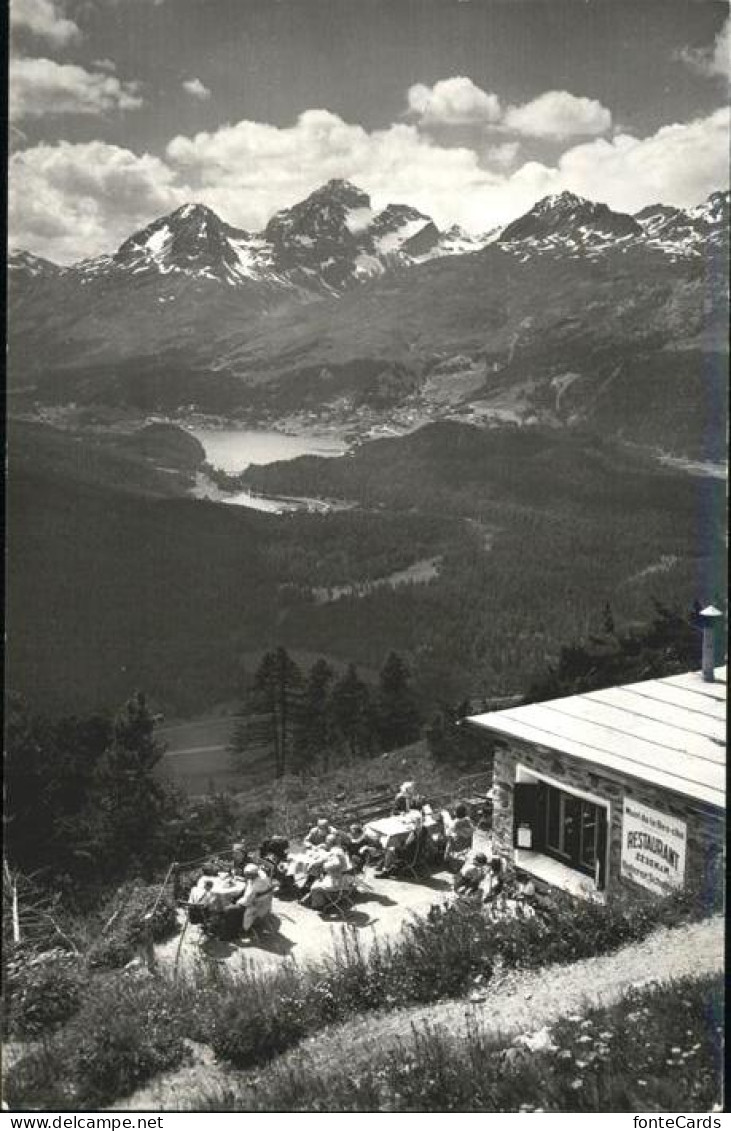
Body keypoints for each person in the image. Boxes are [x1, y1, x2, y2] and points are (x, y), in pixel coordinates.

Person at [236, 863, 274, 934]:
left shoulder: (255, 887)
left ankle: (244, 930)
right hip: (266, 904)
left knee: (233, 907)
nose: (246, 876)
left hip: (256, 906)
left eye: (247, 875)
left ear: (251, 875)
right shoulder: (263, 876)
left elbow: (246, 901)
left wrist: (237, 902)